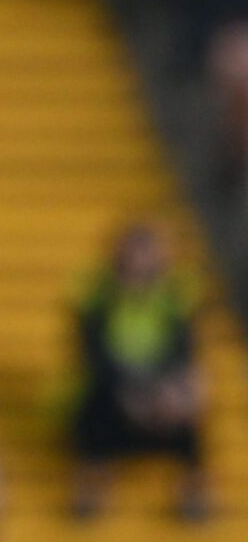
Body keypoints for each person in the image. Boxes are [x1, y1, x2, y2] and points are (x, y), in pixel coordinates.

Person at [70, 221, 207, 520]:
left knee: (190, 404)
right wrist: (132, 393)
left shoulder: (175, 298)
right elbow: (93, 357)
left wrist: (174, 392)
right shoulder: (97, 295)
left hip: (156, 396)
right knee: (99, 403)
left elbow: (184, 355)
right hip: (108, 393)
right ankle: (90, 488)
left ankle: (194, 495)